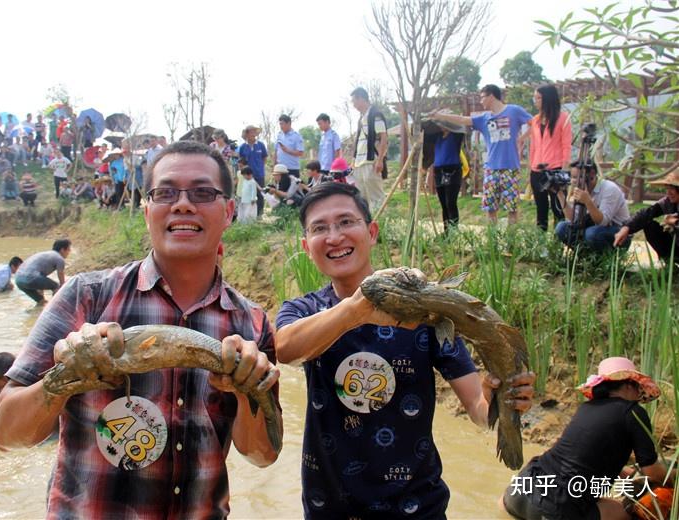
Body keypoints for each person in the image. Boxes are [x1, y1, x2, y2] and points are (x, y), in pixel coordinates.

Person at [0, 141, 282, 518]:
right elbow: (5, 435)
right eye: (165, 192)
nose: (182, 204)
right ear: (147, 210)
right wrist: (65, 380)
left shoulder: (253, 323)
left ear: (228, 211)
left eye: (202, 192)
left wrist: (247, 392)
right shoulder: (85, 297)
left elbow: (263, 454)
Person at [274, 182, 534, 518]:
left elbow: (477, 408)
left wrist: (499, 398)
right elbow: (286, 349)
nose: (334, 236)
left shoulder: (425, 311)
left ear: (372, 232)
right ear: (307, 246)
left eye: (346, 222)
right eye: (320, 228)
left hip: (417, 508)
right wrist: (358, 308)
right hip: (330, 508)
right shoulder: (304, 310)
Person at [503, 356, 671, 520]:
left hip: (519, 491)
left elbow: (581, 459)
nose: (638, 396)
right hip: (555, 507)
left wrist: (631, 476)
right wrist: (674, 476)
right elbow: (653, 473)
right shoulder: (633, 412)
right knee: (633, 511)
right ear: (628, 385)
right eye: (637, 387)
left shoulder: (586, 408)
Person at [431, 84, 532, 225]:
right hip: (491, 168)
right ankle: (492, 242)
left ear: (491, 96)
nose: (480, 101)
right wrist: (440, 116)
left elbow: (534, 123)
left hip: (510, 168)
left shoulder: (514, 111)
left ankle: (511, 243)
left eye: (482, 97)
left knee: (512, 208)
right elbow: (462, 120)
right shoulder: (484, 118)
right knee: (490, 208)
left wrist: (522, 139)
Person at [522, 84, 573, 231]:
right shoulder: (535, 120)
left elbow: (566, 146)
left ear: (547, 99)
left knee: (558, 208)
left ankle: (558, 243)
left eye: (538, 98)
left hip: (556, 168)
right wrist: (530, 168)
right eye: (535, 98)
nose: (536, 101)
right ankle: (541, 243)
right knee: (541, 209)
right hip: (537, 170)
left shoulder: (563, 118)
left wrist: (563, 171)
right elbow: (533, 146)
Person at [555, 161, 631, 252]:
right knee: (562, 228)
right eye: (572, 177)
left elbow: (603, 222)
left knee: (592, 233)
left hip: (620, 235)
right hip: (594, 230)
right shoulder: (581, 188)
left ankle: (606, 260)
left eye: (577, 177)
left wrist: (588, 201)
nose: (573, 181)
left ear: (592, 175)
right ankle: (584, 258)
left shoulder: (609, 188)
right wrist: (558, 193)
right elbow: (573, 219)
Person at [614, 167, 679, 266]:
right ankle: (670, 263)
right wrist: (626, 228)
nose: (669, 192)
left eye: (673, 189)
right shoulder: (667, 202)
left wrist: (675, 222)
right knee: (649, 224)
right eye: (668, 188)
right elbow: (646, 213)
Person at [351, 87, 389, 212]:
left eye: (354, 101)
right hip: (359, 163)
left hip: (371, 161)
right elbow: (358, 141)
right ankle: (368, 226)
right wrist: (353, 159)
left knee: (376, 197)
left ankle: (382, 224)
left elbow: (383, 137)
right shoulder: (361, 118)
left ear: (361, 99)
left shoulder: (375, 114)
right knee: (362, 199)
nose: (354, 105)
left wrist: (380, 160)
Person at [429, 122, 466, 232]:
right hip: (439, 172)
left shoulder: (455, 135)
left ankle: (453, 231)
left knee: (450, 202)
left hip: (452, 171)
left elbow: (461, 126)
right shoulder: (436, 137)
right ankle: (446, 231)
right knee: (443, 204)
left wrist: (449, 120)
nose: (441, 125)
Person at [14, 239, 71, 304]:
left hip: (18, 280)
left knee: (41, 301)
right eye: (68, 250)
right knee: (57, 287)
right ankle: (56, 307)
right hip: (31, 277)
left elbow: (40, 281)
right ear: (62, 250)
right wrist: (62, 287)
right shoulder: (59, 258)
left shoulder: (44, 254)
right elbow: (61, 275)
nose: (69, 252)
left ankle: (39, 311)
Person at [238, 125, 269, 216]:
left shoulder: (260, 145)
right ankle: (248, 214)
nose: (254, 134)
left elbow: (264, 157)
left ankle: (259, 214)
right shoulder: (243, 147)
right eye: (251, 132)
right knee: (247, 194)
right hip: (247, 176)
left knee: (260, 194)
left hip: (259, 174)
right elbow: (241, 160)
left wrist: (260, 166)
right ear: (247, 134)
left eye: (255, 132)